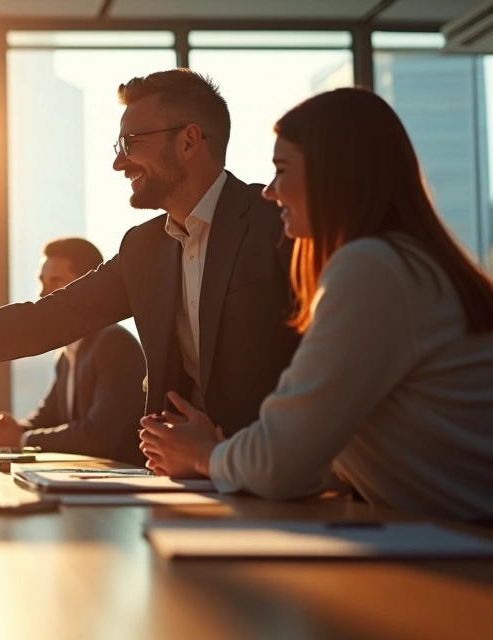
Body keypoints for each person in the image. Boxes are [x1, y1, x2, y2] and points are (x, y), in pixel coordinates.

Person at [0, 69, 301, 445]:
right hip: (177, 482)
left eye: (132, 143)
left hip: (280, 480)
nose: (119, 164)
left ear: (188, 141)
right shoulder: (143, 249)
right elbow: (44, 319)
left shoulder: (279, 225)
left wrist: (225, 452)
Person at [138, 88, 493, 522]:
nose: (269, 192)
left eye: (282, 170)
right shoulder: (399, 262)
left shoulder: (373, 268)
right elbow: (316, 460)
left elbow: (282, 463)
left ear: (333, 174)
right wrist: (228, 453)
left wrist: (204, 456)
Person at [0, 238, 146, 465]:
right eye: (42, 281)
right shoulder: (68, 351)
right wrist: (15, 428)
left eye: (55, 281)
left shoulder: (115, 344)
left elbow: (99, 436)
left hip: (127, 486)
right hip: (90, 479)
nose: (42, 294)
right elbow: (49, 417)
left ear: (90, 286)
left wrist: (22, 438)